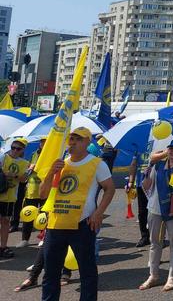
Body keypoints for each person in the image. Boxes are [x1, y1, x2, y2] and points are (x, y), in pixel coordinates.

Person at [39, 126, 115, 301]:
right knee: (50, 274)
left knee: (87, 273)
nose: (73, 142)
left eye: (78, 139)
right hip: (56, 224)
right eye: (71, 138)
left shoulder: (97, 163)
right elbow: (43, 194)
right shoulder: (60, 163)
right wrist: (51, 172)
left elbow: (109, 189)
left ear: (88, 142)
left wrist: (98, 212)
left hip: (82, 224)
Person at [138, 136, 173, 292]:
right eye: (171, 148)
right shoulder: (158, 165)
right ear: (166, 150)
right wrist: (150, 165)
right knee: (155, 243)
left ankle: (171, 277)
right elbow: (146, 185)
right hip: (156, 208)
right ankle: (153, 275)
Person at [1, 137, 30, 257]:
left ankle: (3, 246)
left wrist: (12, 175)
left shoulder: (24, 163)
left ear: (22, 150)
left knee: (5, 221)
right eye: (13, 147)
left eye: (18, 148)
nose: (15, 150)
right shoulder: (3, 157)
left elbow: (24, 178)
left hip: (9, 197)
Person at [19, 138, 46, 248]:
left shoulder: (53, 155)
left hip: (45, 190)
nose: (42, 143)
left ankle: (43, 238)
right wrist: (30, 168)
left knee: (44, 216)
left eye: (45, 141)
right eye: (41, 141)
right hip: (32, 190)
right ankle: (25, 239)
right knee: (28, 215)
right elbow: (28, 169)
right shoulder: (34, 154)